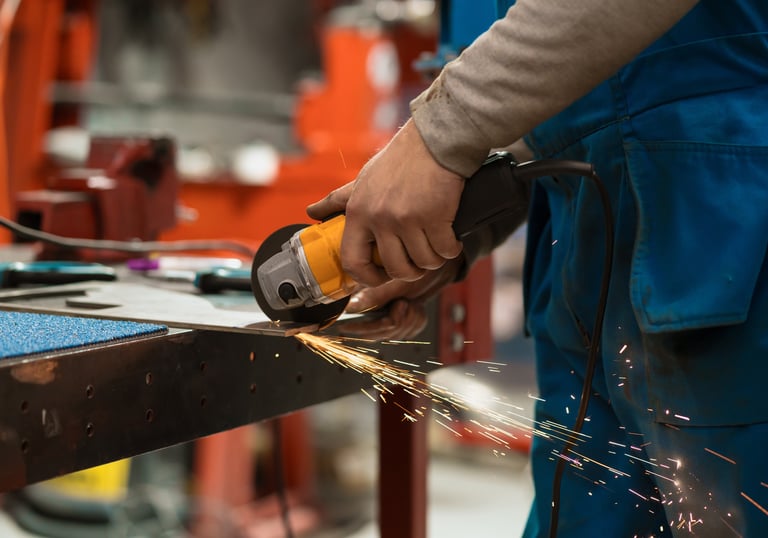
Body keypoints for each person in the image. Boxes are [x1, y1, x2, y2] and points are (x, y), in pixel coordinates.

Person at [308, 0, 768, 536]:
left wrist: (441, 131)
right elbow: (579, 98)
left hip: (724, 225)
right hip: (589, 251)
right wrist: (460, 225)